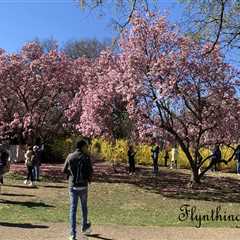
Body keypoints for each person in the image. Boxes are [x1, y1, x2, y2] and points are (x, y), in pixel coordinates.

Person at [63, 140, 93, 240]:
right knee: (84, 207)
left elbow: (64, 170)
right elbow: (90, 172)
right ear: (82, 147)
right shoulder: (86, 157)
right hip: (83, 186)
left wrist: (70, 174)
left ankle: (72, 234)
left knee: (73, 209)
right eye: (86, 146)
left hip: (73, 186)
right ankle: (84, 225)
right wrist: (89, 179)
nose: (87, 148)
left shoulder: (70, 156)